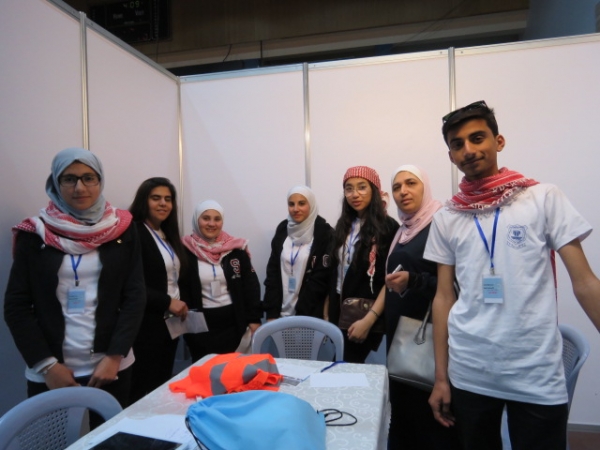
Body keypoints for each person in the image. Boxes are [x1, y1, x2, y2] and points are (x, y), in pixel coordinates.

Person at [424, 101, 600, 450]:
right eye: (458, 144)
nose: (468, 150)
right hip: (469, 370)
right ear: (451, 156)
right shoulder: (447, 216)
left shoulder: (542, 198)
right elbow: (444, 297)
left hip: (535, 371)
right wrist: (441, 377)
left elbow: (584, 282)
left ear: (499, 141)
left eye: (477, 138)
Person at [4, 147, 145, 410]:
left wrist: (115, 356)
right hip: (51, 372)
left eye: (88, 178)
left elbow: (135, 296)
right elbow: (16, 305)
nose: (80, 187)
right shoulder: (35, 233)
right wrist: (47, 366)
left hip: (111, 367)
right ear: (56, 182)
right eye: (69, 179)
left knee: (109, 433)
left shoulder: (122, 229)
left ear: (100, 180)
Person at [384, 165, 459, 450]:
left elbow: (454, 286)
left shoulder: (439, 224)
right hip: (402, 340)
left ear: (424, 187)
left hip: (429, 341)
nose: (403, 191)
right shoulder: (404, 229)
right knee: (404, 418)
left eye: (411, 183)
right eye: (397, 187)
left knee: (430, 422)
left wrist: (414, 280)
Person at [128, 177, 190, 404]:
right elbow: (131, 283)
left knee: (160, 385)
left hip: (169, 324)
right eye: (156, 198)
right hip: (145, 323)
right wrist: (167, 302)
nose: (163, 203)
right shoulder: (134, 232)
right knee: (140, 389)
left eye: (168, 199)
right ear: (144, 201)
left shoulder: (167, 234)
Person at [328, 166, 399, 363]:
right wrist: (327, 313)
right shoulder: (343, 225)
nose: (355, 194)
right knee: (344, 367)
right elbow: (334, 272)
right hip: (339, 309)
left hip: (365, 313)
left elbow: (389, 280)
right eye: (349, 188)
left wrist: (368, 320)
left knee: (342, 366)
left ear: (374, 190)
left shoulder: (388, 227)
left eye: (362, 187)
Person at [181, 200, 262, 362]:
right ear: (197, 220)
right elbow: (182, 289)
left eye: (217, 219)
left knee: (235, 369)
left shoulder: (236, 250)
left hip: (233, 325)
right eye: (206, 218)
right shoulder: (184, 251)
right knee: (206, 370)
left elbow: (251, 286)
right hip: (201, 328)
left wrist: (254, 319)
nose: (212, 224)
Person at [263, 185, 333, 320]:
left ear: (311, 204)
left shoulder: (324, 234)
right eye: (291, 204)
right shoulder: (283, 230)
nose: (295, 209)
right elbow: (272, 274)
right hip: (280, 314)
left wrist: (301, 314)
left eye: (301, 203)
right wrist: (271, 312)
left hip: (309, 315)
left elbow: (321, 280)